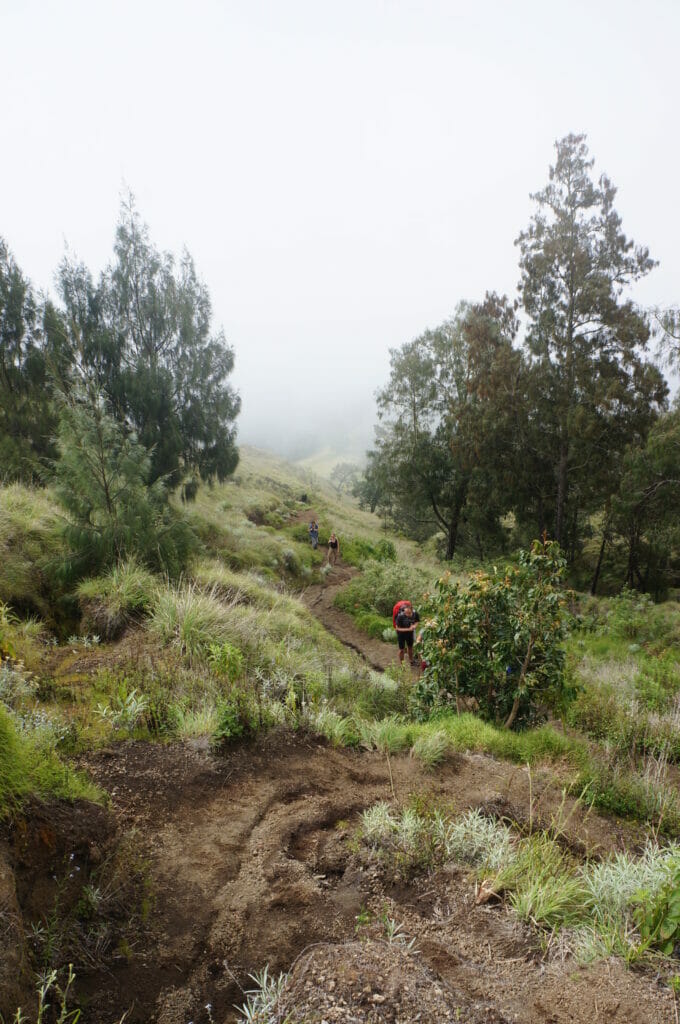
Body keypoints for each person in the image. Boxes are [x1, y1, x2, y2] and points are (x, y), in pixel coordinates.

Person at [395, 600, 420, 666]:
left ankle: (411, 661)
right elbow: (397, 628)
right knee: (401, 650)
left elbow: (417, 621)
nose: (407, 615)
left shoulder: (415, 614)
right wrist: (408, 629)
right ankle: (402, 665)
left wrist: (414, 626)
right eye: (406, 613)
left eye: (409, 613)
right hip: (401, 634)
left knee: (410, 647)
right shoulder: (400, 616)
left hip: (410, 633)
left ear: (412, 610)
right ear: (404, 610)